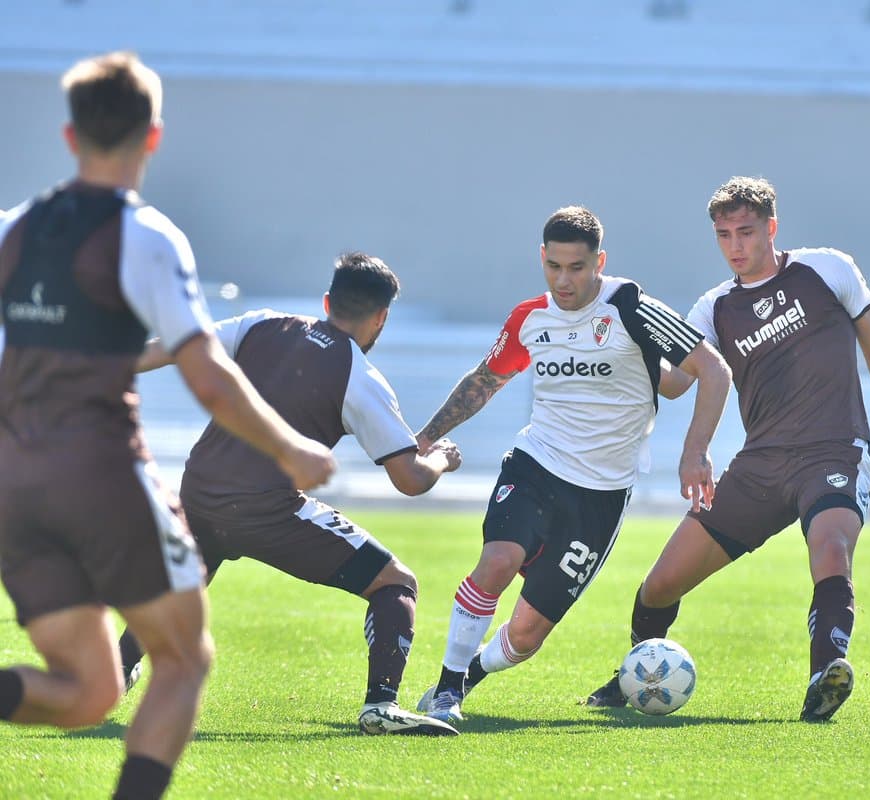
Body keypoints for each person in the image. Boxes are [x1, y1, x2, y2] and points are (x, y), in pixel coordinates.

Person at [0, 51, 336, 800]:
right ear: (153, 136)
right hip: (99, 478)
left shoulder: (12, 230)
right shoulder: (145, 237)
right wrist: (290, 448)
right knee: (183, 661)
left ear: (68, 135)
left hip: (15, 490)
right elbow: (209, 376)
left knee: (89, 692)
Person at [586, 176, 870, 722]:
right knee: (659, 585)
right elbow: (677, 382)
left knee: (832, 548)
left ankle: (826, 674)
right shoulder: (714, 307)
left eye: (746, 232)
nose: (736, 246)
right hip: (760, 466)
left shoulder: (829, 269)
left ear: (771, 227)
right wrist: (631, 345)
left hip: (834, 452)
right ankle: (634, 674)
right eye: (724, 235)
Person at [116, 251, 463, 737]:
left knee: (190, 572)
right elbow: (409, 479)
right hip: (263, 507)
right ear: (381, 317)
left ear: (327, 300)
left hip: (199, 488)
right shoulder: (360, 377)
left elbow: (178, 346)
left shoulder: (264, 323)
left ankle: (116, 669)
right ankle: (381, 705)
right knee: (395, 583)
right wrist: (442, 459)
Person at [412, 206, 731, 725]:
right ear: (542, 258)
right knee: (497, 562)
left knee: (523, 637)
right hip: (536, 464)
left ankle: (470, 675)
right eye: (554, 266)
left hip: (601, 495)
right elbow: (484, 381)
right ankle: (448, 692)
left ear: (599, 261)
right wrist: (424, 437)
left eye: (577, 268)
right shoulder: (529, 318)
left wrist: (694, 450)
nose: (564, 280)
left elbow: (708, 373)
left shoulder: (630, 306)